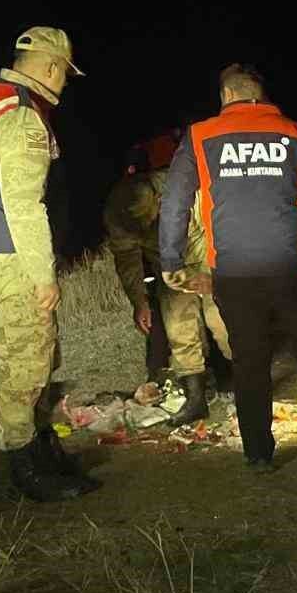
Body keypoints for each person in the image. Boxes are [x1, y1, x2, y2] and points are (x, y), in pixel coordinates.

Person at [158, 64, 297, 470]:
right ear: (262, 95)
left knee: (249, 360)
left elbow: (175, 202)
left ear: (226, 96)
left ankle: (257, 453)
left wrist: (170, 258)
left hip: (234, 274)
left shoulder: (200, 137)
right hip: (292, 269)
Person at [0, 26, 99, 500]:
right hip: (8, 256)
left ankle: (43, 449)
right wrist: (43, 275)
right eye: (65, 75)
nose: (64, 84)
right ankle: (26, 469)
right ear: (53, 67)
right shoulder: (21, 115)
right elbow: (24, 204)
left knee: (36, 353)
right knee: (26, 364)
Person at [103, 130, 232, 424]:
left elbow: (218, 232)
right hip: (169, 267)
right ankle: (196, 399)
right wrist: (139, 301)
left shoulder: (189, 188)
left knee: (223, 321)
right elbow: (128, 260)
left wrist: (215, 279)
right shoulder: (118, 211)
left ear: (160, 199)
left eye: (148, 218)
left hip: (203, 253)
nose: (146, 226)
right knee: (179, 328)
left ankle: (251, 385)